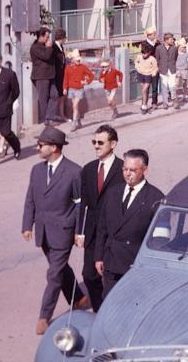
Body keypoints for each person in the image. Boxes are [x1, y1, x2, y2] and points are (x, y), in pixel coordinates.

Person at [22, 126, 87, 335]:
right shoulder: (37, 170)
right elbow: (30, 198)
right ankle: (78, 298)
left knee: (53, 274)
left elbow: (80, 204)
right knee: (59, 269)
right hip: (43, 230)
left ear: (55, 148)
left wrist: (79, 231)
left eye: (41, 145)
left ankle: (44, 316)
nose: (37, 148)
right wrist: (27, 225)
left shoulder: (75, 172)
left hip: (63, 231)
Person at [95, 149, 165, 297]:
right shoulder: (113, 192)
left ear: (145, 169)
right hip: (111, 263)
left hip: (135, 266)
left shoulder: (156, 198)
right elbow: (102, 228)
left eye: (132, 170)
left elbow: (160, 240)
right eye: (125, 169)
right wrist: (99, 257)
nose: (127, 174)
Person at [76, 125, 122, 312]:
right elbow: (83, 202)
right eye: (93, 142)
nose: (96, 146)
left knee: (112, 277)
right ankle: (100, 310)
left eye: (100, 142)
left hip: (114, 232)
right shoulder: (88, 169)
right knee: (89, 276)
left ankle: (114, 312)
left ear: (113, 144)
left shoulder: (122, 169)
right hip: (93, 232)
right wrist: (79, 231)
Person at [29, 27, 60, 126]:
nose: (48, 39)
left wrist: (52, 46)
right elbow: (46, 56)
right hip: (41, 76)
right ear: (41, 36)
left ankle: (49, 117)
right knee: (43, 98)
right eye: (46, 37)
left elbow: (54, 54)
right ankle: (47, 120)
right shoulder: (35, 47)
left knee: (55, 95)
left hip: (50, 75)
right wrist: (49, 47)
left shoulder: (46, 45)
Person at [62, 51, 94, 130]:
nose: (79, 61)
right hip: (71, 89)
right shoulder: (68, 68)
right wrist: (65, 88)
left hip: (79, 89)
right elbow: (65, 79)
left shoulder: (82, 67)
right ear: (72, 60)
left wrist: (87, 82)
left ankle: (74, 123)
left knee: (75, 105)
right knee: (75, 107)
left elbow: (91, 75)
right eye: (77, 60)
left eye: (79, 60)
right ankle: (79, 121)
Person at [154, 33, 179, 109]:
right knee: (164, 87)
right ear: (166, 40)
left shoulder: (174, 48)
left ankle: (174, 101)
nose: (172, 40)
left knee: (172, 86)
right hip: (163, 70)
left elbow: (175, 58)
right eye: (171, 39)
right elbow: (157, 59)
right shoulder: (158, 48)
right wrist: (159, 68)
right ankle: (165, 103)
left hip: (172, 69)